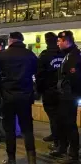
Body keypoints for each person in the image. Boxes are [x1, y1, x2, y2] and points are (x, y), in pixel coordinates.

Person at [0, 32, 37, 164]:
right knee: (27, 128)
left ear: (10, 40)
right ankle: (32, 159)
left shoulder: (2, 55)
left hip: (8, 95)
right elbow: (37, 71)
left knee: (9, 128)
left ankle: (11, 158)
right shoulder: (30, 54)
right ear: (21, 40)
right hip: (25, 95)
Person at [50, 30, 81, 163]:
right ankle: (63, 148)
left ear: (66, 41)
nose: (57, 43)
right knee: (62, 122)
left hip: (69, 96)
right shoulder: (67, 54)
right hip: (65, 96)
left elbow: (74, 78)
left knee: (70, 124)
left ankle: (73, 154)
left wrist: (68, 91)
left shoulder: (73, 56)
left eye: (59, 41)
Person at [35, 32, 65, 150]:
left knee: (53, 117)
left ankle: (58, 142)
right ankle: (58, 138)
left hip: (49, 92)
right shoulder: (63, 54)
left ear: (46, 41)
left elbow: (40, 75)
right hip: (62, 91)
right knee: (60, 116)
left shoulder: (44, 56)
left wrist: (39, 90)